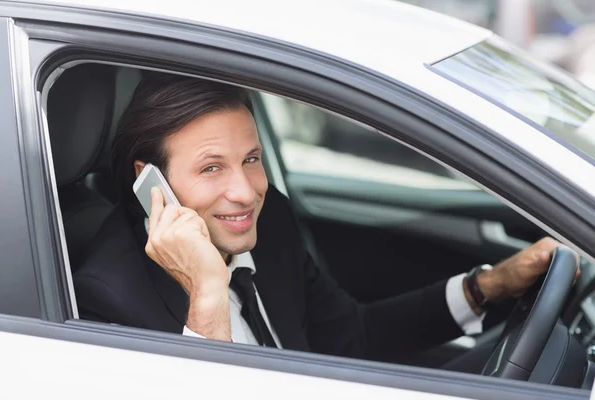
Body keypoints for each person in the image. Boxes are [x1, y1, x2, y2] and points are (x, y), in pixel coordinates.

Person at [73, 72, 576, 367]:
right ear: (151, 180)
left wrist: (490, 284)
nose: (246, 192)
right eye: (211, 168)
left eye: (251, 158)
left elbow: (353, 337)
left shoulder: (267, 228)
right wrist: (207, 295)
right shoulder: (107, 295)